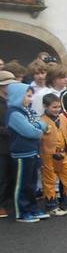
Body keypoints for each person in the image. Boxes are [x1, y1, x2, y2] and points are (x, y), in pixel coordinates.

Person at [4, 82, 49, 222]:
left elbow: (43, 124)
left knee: (32, 183)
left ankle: (32, 208)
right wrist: (37, 127)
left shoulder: (27, 111)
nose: (30, 99)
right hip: (21, 154)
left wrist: (37, 126)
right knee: (22, 184)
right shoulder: (13, 113)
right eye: (27, 96)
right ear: (18, 96)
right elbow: (31, 132)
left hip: (32, 152)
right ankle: (22, 212)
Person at [39, 93, 67, 215]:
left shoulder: (62, 118)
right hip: (48, 155)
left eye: (58, 107)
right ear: (45, 107)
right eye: (54, 107)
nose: (57, 109)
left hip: (63, 154)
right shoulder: (41, 121)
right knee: (49, 180)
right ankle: (51, 207)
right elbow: (39, 140)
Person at [0, 70, 18, 218]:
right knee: (2, 176)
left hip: (13, 143)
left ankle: (9, 202)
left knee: (11, 175)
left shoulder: (12, 101)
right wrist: (10, 129)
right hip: (2, 144)